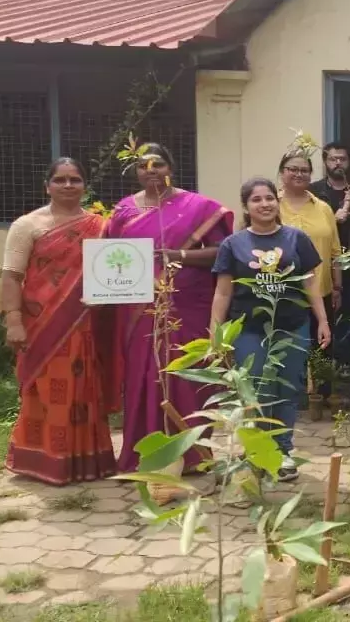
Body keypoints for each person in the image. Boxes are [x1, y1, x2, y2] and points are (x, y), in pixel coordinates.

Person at [109, 142, 233, 473]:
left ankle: (192, 456)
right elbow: (109, 261)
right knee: (143, 378)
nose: (150, 170)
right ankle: (145, 455)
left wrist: (178, 256)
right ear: (135, 172)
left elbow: (223, 253)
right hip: (138, 312)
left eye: (158, 164)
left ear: (171, 168)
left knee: (186, 376)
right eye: (143, 166)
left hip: (187, 305)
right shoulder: (123, 212)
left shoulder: (199, 207)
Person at [0, 158, 117, 484]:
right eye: (61, 180)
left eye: (75, 180)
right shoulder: (28, 225)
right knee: (46, 392)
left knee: (84, 391)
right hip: (42, 325)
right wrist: (13, 321)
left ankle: (88, 461)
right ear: (47, 185)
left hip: (85, 324)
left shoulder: (100, 226)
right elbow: (11, 276)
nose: (68, 186)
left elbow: (111, 271)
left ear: (84, 186)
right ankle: (44, 461)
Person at [211, 177, 331, 482]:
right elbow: (223, 292)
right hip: (249, 330)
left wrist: (322, 320)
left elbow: (309, 283)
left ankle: (283, 451)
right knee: (257, 391)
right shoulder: (232, 244)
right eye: (256, 200)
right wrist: (217, 334)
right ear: (246, 206)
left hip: (292, 327)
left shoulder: (296, 239)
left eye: (269, 198)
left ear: (277, 202)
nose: (264, 204)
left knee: (287, 389)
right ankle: (259, 451)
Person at [279, 148, 343, 404]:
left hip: (322, 288)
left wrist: (338, 286)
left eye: (304, 170)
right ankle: (289, 395)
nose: (298, 174)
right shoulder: (270, 204)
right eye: (292, 169)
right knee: (288, 345)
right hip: (281, 291)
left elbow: (336, 249)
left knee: (323, 343)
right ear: (282, 173)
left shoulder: (323, 208)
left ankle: (322, 395)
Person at [310, 141, 350, 365]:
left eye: (342, 159)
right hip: (323, 261)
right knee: (325, 312)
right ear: (325, 162)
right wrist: (333, 219)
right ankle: (323, 362)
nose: (338, 163)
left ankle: (347, 361)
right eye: (333, 159)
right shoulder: (314, 192)